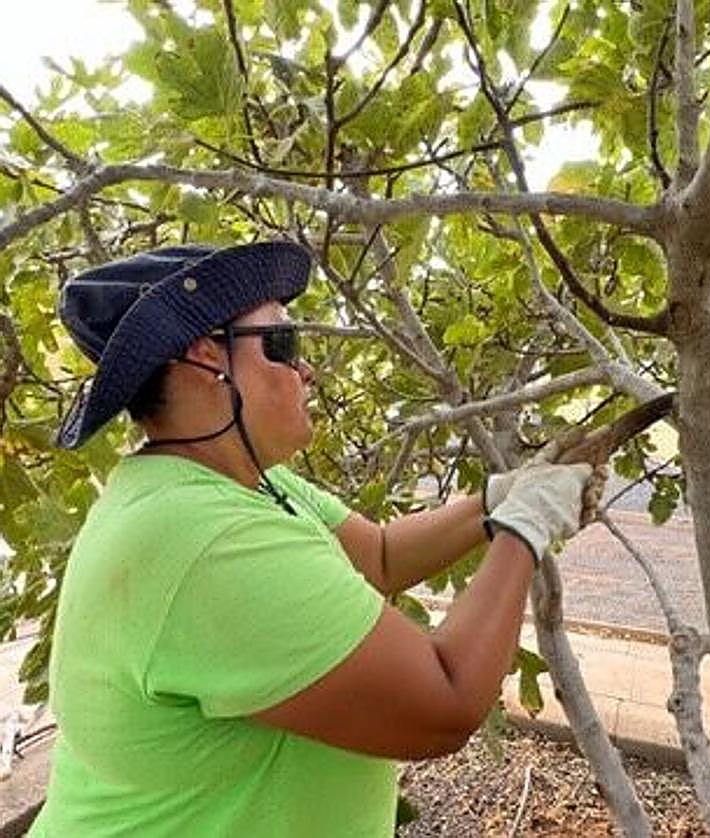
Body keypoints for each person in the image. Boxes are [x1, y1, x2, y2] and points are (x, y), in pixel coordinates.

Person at [29, 241, 600, 837]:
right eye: (281, 343)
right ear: (206, 359)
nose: (307, 370)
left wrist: (496, 500)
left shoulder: (243, 482)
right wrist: (527, 527)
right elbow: (447, 701)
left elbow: (377, 555)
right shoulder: (205, 540)